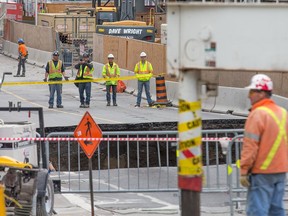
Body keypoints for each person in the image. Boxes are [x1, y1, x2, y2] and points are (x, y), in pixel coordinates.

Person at [240, 74, 288, 216]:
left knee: (258, 210)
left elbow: (250, 146)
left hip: (262, 171)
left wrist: (244, 170)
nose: (249, 96)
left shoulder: (258, 114)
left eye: (251, 92)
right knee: (276, 210)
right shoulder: (283, 113)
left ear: (261, 93)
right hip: (280, 171)